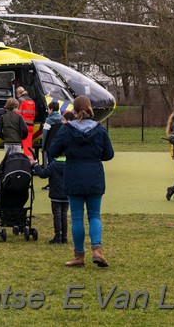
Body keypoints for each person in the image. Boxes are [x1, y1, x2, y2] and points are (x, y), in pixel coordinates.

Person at [48, 95, 114, 268]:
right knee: (94, 215)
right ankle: (97, 250)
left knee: (77, 217)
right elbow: (109, 154)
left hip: (74, 174)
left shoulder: (67, 129)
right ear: (89, 108)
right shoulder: (99, 129)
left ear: (75, 111)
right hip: (94, 175)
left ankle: (79, 255)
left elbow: (53, 150)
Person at [31, 155, 68, 244]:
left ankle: (58, 237)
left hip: (55, 195)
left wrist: (36, 165)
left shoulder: (53, 165)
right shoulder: (70, 164)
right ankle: (64, 237)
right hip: (67, 194)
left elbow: (43, 174)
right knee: (64, 215)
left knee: (57, 216)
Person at [15, 86, 36, 157]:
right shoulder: (32, 101)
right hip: (31, 125)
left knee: (24, 145)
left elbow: (17, 114)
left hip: (23, 126)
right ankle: (31, 158)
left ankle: (29, 161)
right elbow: (34, 113)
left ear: (18, 94)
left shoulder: (20, 101)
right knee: (28, 144)